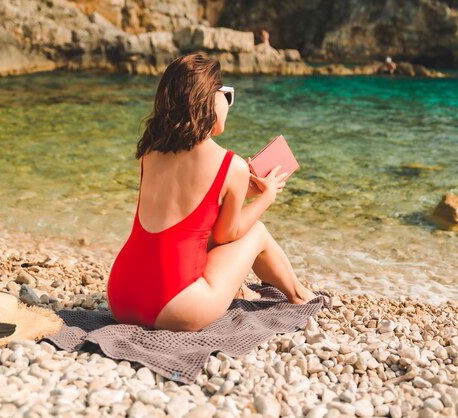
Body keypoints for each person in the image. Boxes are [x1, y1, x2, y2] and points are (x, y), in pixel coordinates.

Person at [107, 53, 318, 332]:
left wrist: (240, 192)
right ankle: (300, 296)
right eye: (226, 95)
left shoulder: (150, 152)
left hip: (121, 297)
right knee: (257, 232)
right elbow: (226, 235)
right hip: (175, 307)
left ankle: (240, 290)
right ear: (210, 100)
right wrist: (266, 197)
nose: (228, 104)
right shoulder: (231, 165)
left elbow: (184, 215)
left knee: (194, 237)